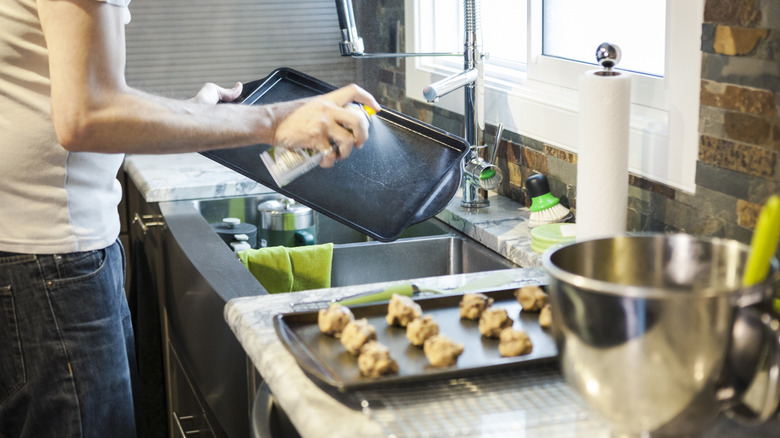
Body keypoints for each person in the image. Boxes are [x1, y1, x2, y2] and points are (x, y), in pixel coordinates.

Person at [0, 0, 380, 437]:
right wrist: (277, 120)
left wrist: (200, 113)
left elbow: (65, 94)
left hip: (38, 255)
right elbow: (89, 115)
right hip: (50, 263)